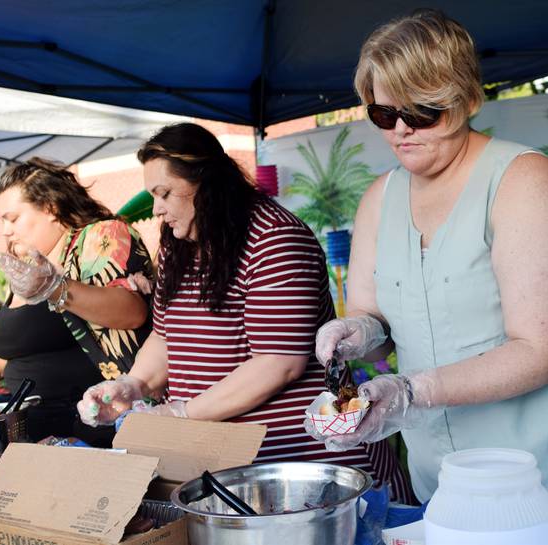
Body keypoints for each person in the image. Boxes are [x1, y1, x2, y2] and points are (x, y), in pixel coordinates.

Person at [306, 10, 548, 527]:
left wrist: (411, 392)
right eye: (382, 114)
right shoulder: (379, 198)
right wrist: (357, 330)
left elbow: (540, 351)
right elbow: (378, 323)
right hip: (447, 470)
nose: (400, 130)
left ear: (468, 100)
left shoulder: (524, 181)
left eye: (421, 113)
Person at [77, 123, 412, 502]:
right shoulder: (178, 245)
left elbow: (279, 362)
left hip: (304, 461)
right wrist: (134, 384)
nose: (157, 209)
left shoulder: (276, 239)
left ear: (207, 183)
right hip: (228, 465)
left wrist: (182, 414)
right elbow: (166, 334)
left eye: (165, 193)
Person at [0, 157, 153, 444]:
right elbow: (15, 349)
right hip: (28, 431)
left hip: (93, 427)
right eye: (1, 221)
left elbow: (131, 313)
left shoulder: (99, 237)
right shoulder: (26, 263)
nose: (5, 231)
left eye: (13, 218)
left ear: (50, 208)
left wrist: (54, 287)